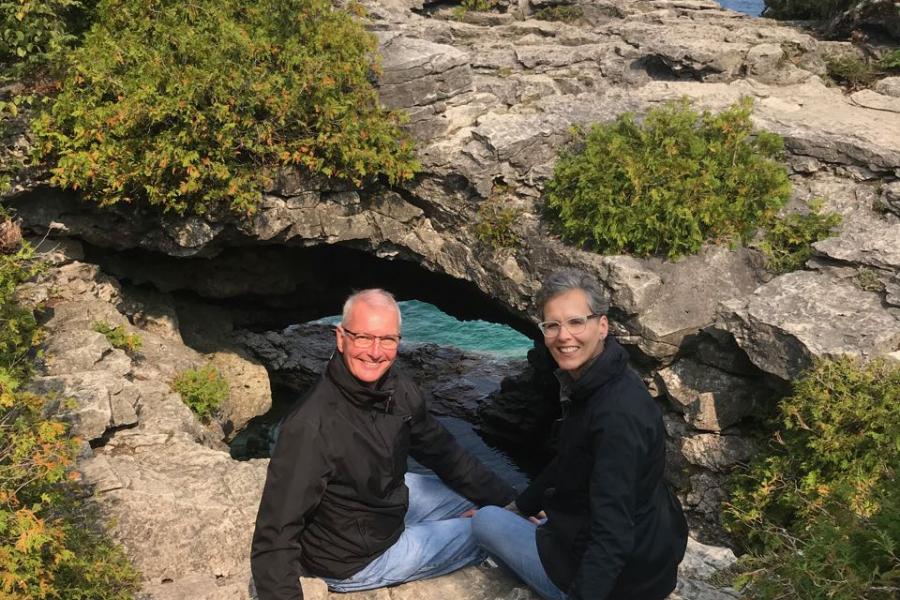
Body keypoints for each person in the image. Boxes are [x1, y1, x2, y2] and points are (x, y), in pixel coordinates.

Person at [251, 289, 516, 600]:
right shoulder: (312, 424)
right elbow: (275, 533)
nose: (375, 352)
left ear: (398, 342)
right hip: (354, 558)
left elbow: (445, 453)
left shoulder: (396, 389)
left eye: (387, 339)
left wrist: (513, 500)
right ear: (341, 338)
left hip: (383, 507)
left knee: (498, 507)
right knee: (496, 529)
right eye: (363, 337)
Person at [472, 269, 688, 600]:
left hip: (620, 584)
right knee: (513, 516)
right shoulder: (605, 384)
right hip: (648, 557)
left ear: (602, 326)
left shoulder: (614, 414)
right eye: (552, 325)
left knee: (484, 521)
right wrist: (521, 507)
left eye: (576, 322)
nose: (563, 336)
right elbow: (569, 460)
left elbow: (612, 534)